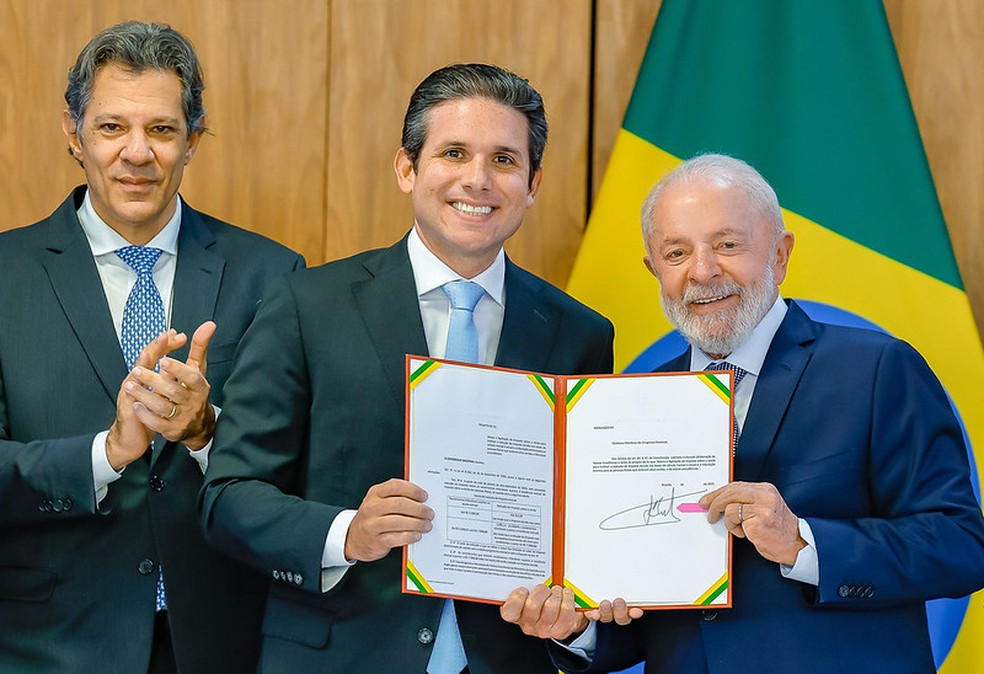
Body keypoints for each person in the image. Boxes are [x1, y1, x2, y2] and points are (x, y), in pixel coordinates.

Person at [199, 62, 614, 672]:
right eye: (453, 153)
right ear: (406, 168)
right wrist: (348, 534)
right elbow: (228, 499)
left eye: (504, 160)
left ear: (533, 182)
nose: (478, 180)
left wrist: (572, 621)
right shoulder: (306, 306)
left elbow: (586, 528)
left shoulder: (580, 334)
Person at [501, 153, 984, 673]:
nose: (704, 271)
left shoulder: (877, 367)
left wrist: (804, 541)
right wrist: (580, 628)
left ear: (780, 254)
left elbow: (961, 545)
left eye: (728, 245)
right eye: (677, 252)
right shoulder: (626, 404)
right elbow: (649, 617)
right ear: (654, 269)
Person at [0, 21, 304, 673]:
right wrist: (105, 455)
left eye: (161, 130)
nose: (137, 153)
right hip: (49, 646)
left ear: (193, 140)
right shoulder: (4, 274)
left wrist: (207, 432)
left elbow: (303, 472)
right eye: (112, 127)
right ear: (72, 132)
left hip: (223, 646)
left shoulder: (273, 277)